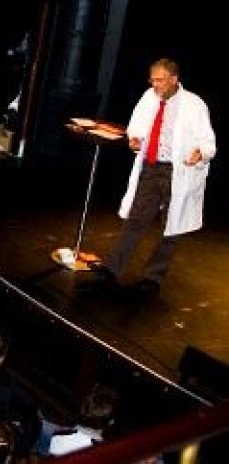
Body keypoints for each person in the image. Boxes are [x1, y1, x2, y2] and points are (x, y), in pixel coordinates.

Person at [81, 58, 216, 299]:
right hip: (152, 167)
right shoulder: (149, 97)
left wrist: (201, 153)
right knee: (136, 219)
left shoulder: (195, 105)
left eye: (160, 80)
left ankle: (153, 278)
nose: (155, 85)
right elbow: (137, 125)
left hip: (178, 171)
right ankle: (111, 271)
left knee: (170, 227)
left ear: (174, 79)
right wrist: (135, 139)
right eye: (152, 80)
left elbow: (208, 141)